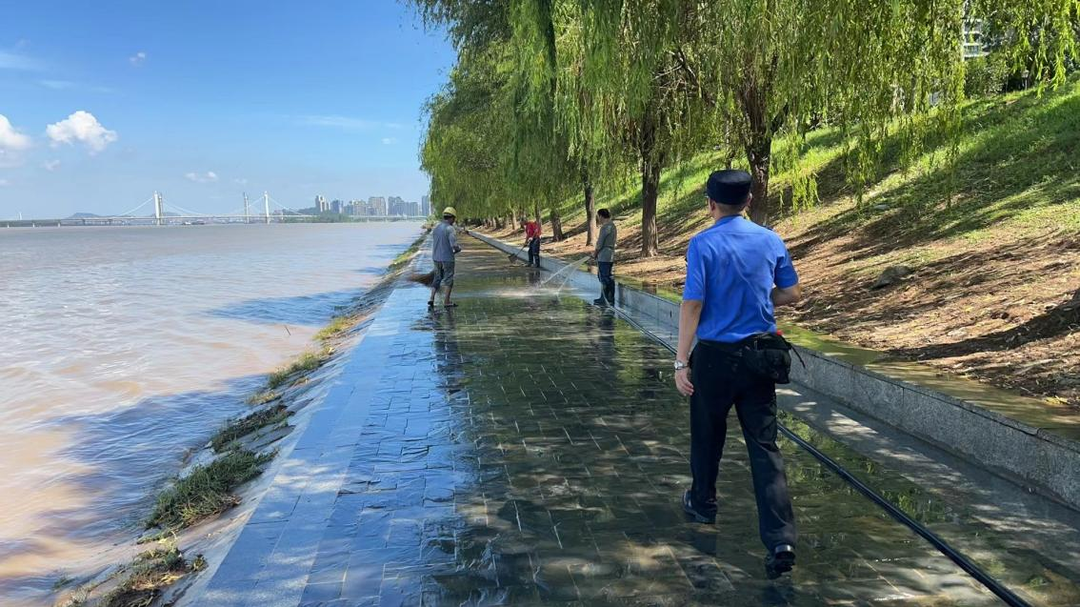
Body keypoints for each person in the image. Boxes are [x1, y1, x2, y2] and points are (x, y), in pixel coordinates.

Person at [673, 169, 802, 579]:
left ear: (710, 204)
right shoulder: (770, 239)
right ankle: (780, 539)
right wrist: (760, 297)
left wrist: (680, 362)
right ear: (748, 201)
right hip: (760, 358)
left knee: (707, 436)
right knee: (765, 448)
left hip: (713, 358)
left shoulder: (702, 244)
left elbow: (693, 304)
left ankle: (703, 502)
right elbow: (792, 293)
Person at [429, 207, 463, 308]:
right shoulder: (450, 228)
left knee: (437, 278)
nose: (454, 221)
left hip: (436, 258)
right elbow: (453, 245)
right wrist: (458, 249)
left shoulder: (436, 228)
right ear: (452, 218)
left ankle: (431, 298)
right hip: (447, 259)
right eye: (454, 218)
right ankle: (446, 302)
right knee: (449, 280)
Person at [590, 208, 616, 306]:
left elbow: (600, 243)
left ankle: (604, 299)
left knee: (603, 276)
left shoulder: (605, 227)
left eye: (598, 217)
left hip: (604, 255)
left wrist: (595, 253)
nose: (598, 219)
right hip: (610, 255)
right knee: (607, 276)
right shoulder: (613, 226)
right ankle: (609, 298)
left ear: (601, 216)